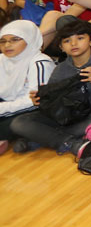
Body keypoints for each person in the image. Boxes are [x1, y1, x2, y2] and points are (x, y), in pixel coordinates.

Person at [9, 19, 91, 154]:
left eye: (80, 38)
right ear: (61, 47)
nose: (73, 44)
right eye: (67, 41)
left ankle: (40, 139)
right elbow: (53, 98)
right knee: (19, 122)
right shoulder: (62, 68)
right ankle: (70, 142)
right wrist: (41, 99)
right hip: (72, 111)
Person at [0, 21, 53, 151]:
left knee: (16, 124)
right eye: (2, 41)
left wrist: (2, 108)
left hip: (33, 108)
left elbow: (36, 100)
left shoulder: (40, 62)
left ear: (29, 39)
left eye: (15, 40)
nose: (7, 45)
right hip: (7, 104)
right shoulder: (2, 59)